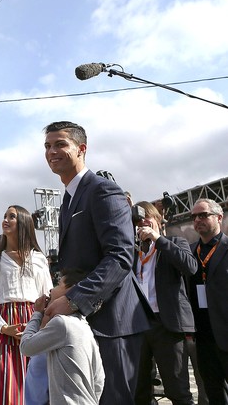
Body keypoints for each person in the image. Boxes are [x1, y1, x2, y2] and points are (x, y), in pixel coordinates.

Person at [43, 121, 150, 405]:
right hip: (86, 323)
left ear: (81, 149)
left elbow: (120, 256)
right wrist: (59, 291)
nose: (52, 151)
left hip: (113, 324)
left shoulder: (103, 190)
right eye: (47, 146)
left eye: (60, 144)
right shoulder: (67, 201)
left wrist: (74, 299)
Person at [0, 205, 53, 405]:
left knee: (38, 385)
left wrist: (42, 325)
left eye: (11, 216)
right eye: (4, 216)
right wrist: (3, 327)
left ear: (22, 222)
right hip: (4, 325)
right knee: (6, 387)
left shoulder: (38, 258)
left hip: (34, 321)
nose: (5, 219)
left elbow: (47, 294)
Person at [132, 201, 196, 405]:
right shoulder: (132, 253)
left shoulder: (175, 242)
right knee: (140, 390)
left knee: (177, 389)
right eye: (138, 221)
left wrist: (158, 239)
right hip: (139, 325)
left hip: (167, 325)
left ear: (158, 221)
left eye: (147, 218)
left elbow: (190, 267)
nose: (143, 223)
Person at [20, 268, 105, 405]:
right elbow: (99, 380)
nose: (51, 290)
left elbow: (26, 347)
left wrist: (37, 313)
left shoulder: (62, 324)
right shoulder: (85, 327)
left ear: (70, 291)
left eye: (58, 284)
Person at [187, 198, 228, 403]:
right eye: (194, 216)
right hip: (202, 337)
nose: (197, 220)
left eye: (203, 215)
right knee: (214, 392)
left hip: (225, 332)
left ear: (219, 217)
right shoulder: (189, 252)